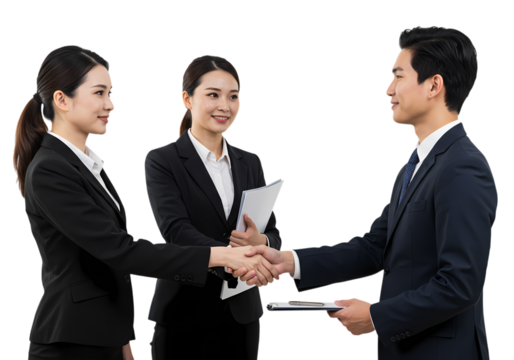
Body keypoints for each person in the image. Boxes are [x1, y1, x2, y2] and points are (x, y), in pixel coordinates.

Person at [233, 26, 497, 360]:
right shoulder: (417, 165)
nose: (388, 90)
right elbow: (374, 249)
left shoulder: (461, 168)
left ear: (434, 85)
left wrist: (376, 317)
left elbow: (460, 284)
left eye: (398, 77)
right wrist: (286, 260)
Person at [11, 45, 279, 360]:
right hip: (71, 339)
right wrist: (225, 256)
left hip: (100, 334)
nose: (110, 104)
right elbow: (121, 251)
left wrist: (122, 340)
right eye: (99, 93)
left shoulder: (85, 164)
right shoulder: (50, 169)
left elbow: (101, 261)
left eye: (110, 92)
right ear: (61, 99)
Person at [143, 54, 281, 360]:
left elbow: (270, 230)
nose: (225, 106)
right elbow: (176, 230)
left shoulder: (249, 162)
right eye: (213, 95)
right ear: (186, 99)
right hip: (184, 310)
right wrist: (234, 259)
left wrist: (263, 242)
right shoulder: (162, 161)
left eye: (233, 96)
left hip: (242, 312)